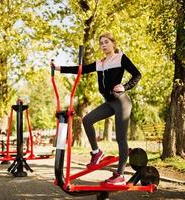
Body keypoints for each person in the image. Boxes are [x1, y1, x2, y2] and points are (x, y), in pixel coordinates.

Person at [51, 32, 141, 185]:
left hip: (122, 102)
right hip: (109, 102)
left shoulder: (120, 58)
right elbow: (81, 69)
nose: (104, 45)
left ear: (113, 43)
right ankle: (96, 152)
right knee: (87, 120)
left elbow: (137, 75)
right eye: (101, 43)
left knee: (120, 138)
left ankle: (120, 174)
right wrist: (59, 68)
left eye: (106, 42)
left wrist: (125, 86)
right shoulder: (100, 63)